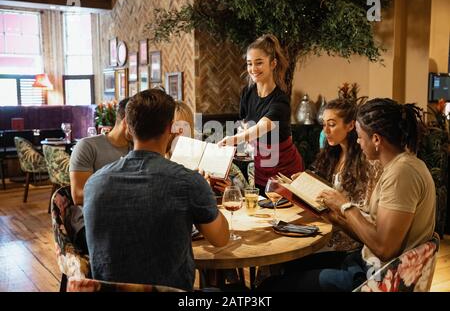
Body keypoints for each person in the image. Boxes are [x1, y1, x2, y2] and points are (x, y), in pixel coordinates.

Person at [258, 98, 436, 292]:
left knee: (271, 286)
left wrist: (345, 206)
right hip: (364, 261)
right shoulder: (400, 167)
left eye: (360, 136)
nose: (358, 142)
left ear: (376, 139)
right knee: (287, 265)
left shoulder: (402, 174)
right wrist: (336, 218)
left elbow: (385, 249)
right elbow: (372, 233)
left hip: (374, 276)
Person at [83, 89, 229, 291]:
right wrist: (206, 194)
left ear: (129, 128)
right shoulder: (188, 181)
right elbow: (221, 239)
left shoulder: (94, 183)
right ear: (170, 128)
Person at [292, 98, 382, 252]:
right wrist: (307, 182)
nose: (325, 130)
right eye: (324, 124)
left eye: (332, 124)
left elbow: (365, 213)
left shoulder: (366, 161)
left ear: (351, 125)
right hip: (327, 226)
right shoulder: (333, 154)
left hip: (347, 239)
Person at [218, 34, 304, 192]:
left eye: (259, 63)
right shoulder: (247, 93)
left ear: (273, 63)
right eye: (249, 64)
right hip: (259, 169)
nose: (253, 69)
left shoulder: (280, 100)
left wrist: (234, 139)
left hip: (285, 172)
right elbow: (245, 127)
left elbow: (263, 126)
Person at [70, 98, 131, 205]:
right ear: (126, 122)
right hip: (92, 217)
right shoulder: (87, 146)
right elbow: (78, 196)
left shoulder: (138, 147)